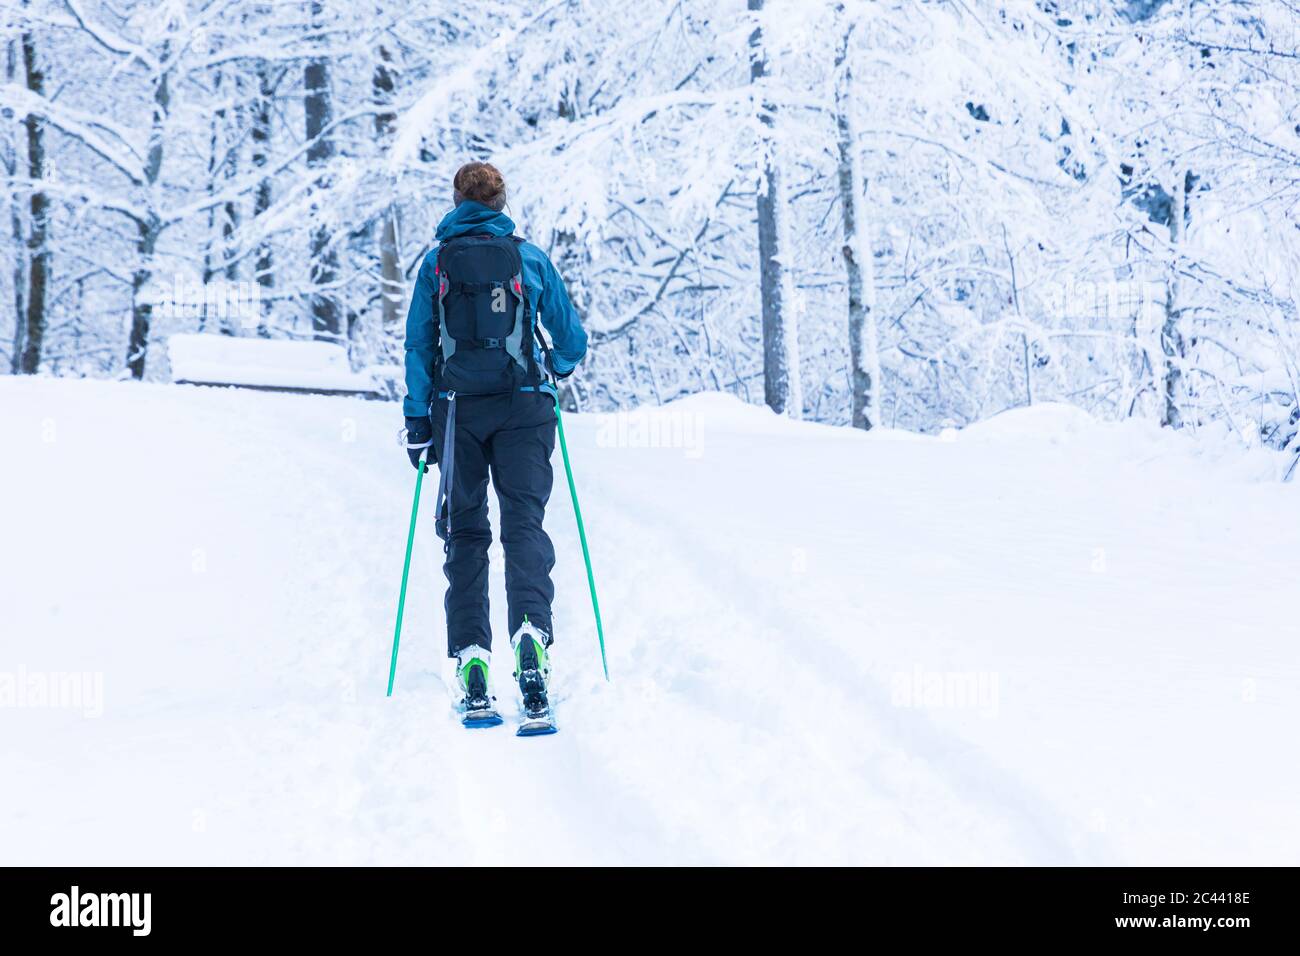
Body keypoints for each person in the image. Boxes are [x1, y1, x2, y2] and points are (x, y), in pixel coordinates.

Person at [402, 162, 587, 726]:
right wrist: (554, 366)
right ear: (503, 201)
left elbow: (418, 346)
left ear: (456, 200)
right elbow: (571, 338)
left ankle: (472, 658)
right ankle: (531, 638)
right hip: (526, 407)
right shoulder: (528, 258)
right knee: (524, 526)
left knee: (467, 531)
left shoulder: (436, 263)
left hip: (457, 413)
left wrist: (417, 420)